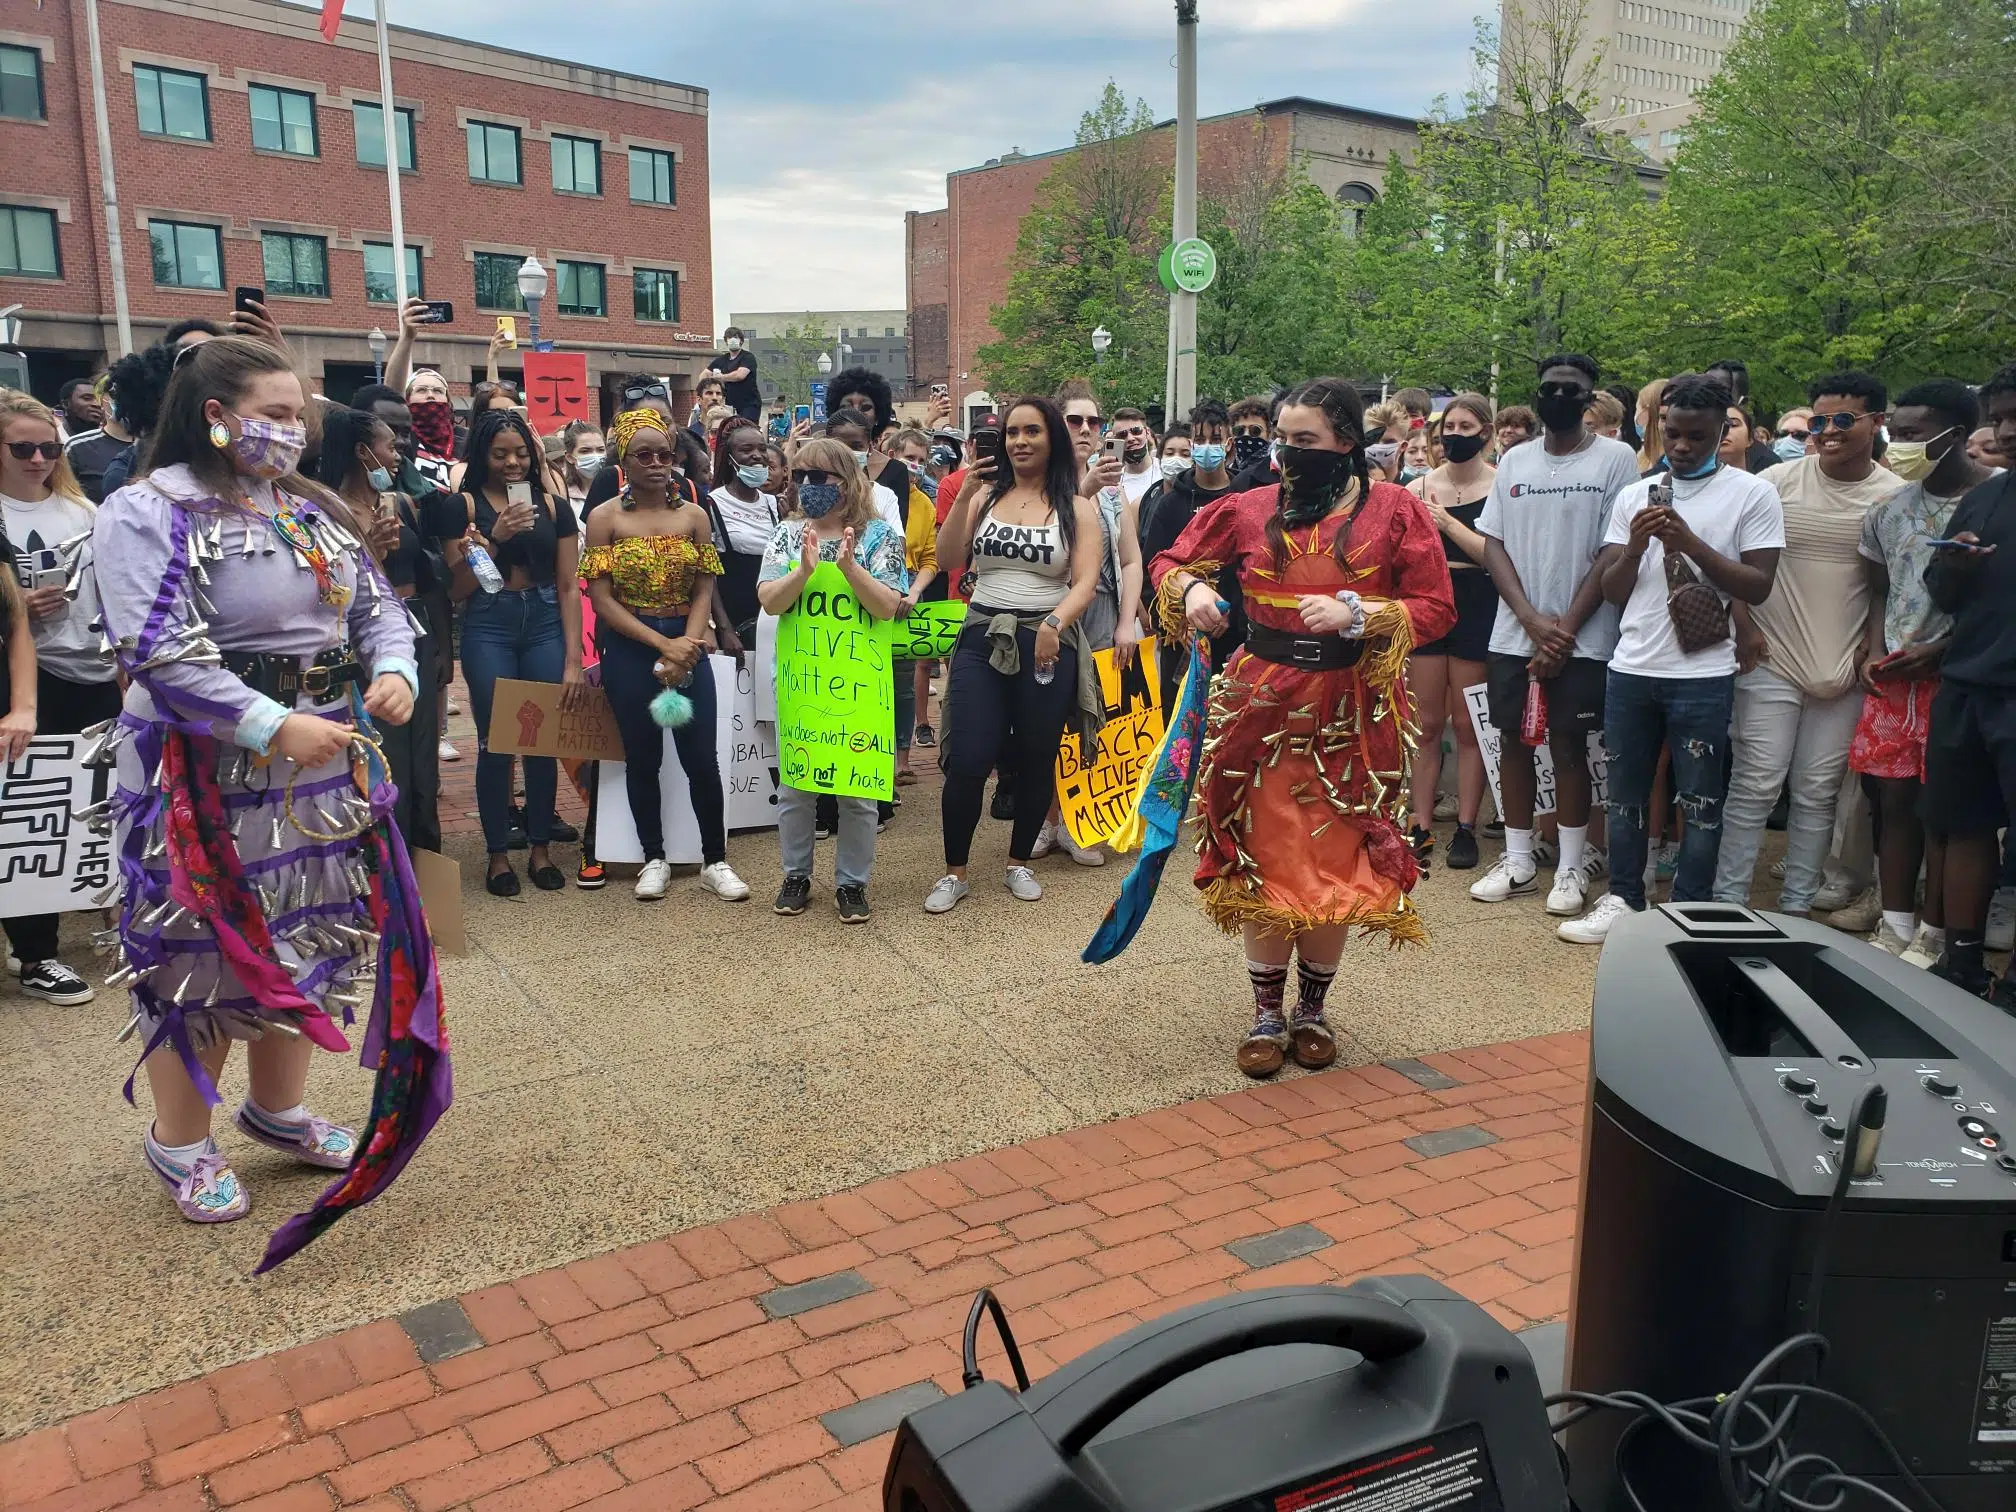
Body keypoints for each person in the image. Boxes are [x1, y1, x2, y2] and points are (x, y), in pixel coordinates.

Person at [94, 335, 444, 1244]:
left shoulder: (307, 509)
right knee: (197, 958)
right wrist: (266, 722)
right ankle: (181, 1140)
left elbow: (376, 607)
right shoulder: (146, 510)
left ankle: (278, 1111)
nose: (294, 433)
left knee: (309, 937)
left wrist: (395, 667)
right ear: (216, 417)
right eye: (277, 415)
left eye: (300, 417)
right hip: (205, 771)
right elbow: (156, 649)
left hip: (322, 763)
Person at [1152, 377, 1455, 1077]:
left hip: (1356, 710)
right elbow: (1170, 562)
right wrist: (1194, 588)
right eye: (1283, 439)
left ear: (1346, 443)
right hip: (1260, 703)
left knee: (1336, 860)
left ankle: (1312, 1010)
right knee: (1268, 852)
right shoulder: (1248, 506)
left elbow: (1436, 606)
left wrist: (1363, 616)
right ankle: (1264, 1013)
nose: (1288, 453)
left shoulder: (1398, 510)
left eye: (1305, 441)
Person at [1563, 375, 1785, 944]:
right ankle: (1624, 897)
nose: (1682, 447)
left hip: (1703, 673)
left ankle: (1691, 907)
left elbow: (1757, 586)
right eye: (1673, 434)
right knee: (1626, 791)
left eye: (1697, 436)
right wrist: (1636, 546)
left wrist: (1689, 542)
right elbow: (1613, 592)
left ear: (1721, 432)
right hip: (1632, 667)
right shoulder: (1636, 494)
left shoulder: (1751, 493)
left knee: (1701, 798)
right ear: (1659, 427)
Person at [1712, 371, 1900, 916]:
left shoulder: (1893, 498)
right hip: (1769, 655)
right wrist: (1743, 627)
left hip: (1844, 666)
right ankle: (1727, 902)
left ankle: (1796, 908)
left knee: (1818, 791)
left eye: (1844, 419)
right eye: (1819, 421)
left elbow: (1884, 588)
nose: (1828, 431)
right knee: (1754, 784)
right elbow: (1740, 563)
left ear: (1877, 422)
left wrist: (1871, 649)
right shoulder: (1777, 483)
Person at [1471, 355, 1638, 925]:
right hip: (1514, 633)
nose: (1558, 397)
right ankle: (1517, 858)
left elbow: (1614, 550)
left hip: (1585, 637)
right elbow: (1492, 543)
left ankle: (1570, 865)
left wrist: (1563, 629)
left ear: (1589, 398)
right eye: (1549, 388)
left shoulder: (1616, 460)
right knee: (1513, 743)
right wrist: (1530, 619)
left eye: (1571, 390)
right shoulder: (1515, 459)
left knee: (1569, 748)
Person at [928, 397, 1102, 913]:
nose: (1019, 442)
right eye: (1011, 433)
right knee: (968, 759)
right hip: (983, 635)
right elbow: (947, 559)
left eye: (1031, 432)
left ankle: (1018, 861)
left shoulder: (1076, 507)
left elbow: (1086, 580)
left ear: (1052, 438)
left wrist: (1055, 623)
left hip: (1047, 641)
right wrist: (966, 496)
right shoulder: (984, 497)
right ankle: (954, 872)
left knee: (1034, 756)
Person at [581, 409, 748, 904]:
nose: (657, 464)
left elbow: (704, 587)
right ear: (624, 461)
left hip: (687, 641)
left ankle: (715, 859)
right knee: (642, 757)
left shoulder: (693, 516)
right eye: (644, 455)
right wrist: (661, 646)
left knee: (702, 758)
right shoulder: (604, 518)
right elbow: (601, 598)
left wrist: (688, 646)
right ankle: (652, 857)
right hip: (631, 648)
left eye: (666, 455)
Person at [1851, 380, 1993, 959]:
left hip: (1957, 677)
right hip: (1892, 678)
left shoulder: (1990, 501)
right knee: (1894, 804)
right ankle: (1896, 922)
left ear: (1954, 435)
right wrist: (1869, 648)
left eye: (1912, 435)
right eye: (1896, 433)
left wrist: (1943, 649)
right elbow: (1880, 590)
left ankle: (1937, 933)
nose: (1898, 445)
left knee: (1946, 812)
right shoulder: (1887, 510)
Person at [0, 390, 118, 1004]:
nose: (40, 458)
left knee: (100, 803)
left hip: (95, 667)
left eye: (50, 446)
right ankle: (34, 953)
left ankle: (108, 925)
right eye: (23, 448)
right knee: (28, 815)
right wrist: (18, 608)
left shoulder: (83, 509)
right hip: (29, 676)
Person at [759, 440, 908, 921]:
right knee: (796, 789)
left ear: (846, 482)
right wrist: (803, 571)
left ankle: (852, 884)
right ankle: (796, 875)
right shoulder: (786, 535)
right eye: (798, 476)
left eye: (817, 478)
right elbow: (770, 601)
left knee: (858, 793)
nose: (805, 486)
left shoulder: (880, 537)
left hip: (860, 684)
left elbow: (888, 605)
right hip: (805, 683)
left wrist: (848, 568)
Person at [448, 408, 586, 896]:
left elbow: (570, 585)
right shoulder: (463, 506)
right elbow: (457, 588)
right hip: (490, 622)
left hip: (546, 619)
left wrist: (574, 660)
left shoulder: (554, 506)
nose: (512, 463)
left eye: (521, 453)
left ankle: (542, 848)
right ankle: (498, 856)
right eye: (500, 453)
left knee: (542, 739)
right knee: (497, 742)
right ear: (482, 456)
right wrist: (497, 537)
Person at [1920, 363, 2016, 1004]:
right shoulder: (1985, 495)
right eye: (1998, 418)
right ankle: (1961, 964)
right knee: (1961, 827)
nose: (2005, 431)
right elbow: (1944, 591)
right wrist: (1951, 565)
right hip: (1967, 683)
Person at [312, 405, 441, 854]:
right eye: (390, 446)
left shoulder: (400, 502)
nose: (397, 454)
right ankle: (386, 859)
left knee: (421, 757)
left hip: (411, 638)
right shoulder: (327, 512)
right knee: (384, 758)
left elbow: (426, 575)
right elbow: (337, 593)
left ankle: (426, 860)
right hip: (362, 650)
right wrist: (372, 552)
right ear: (364, 452)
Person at [1404, 392, 1497, 871]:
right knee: (1426, 724)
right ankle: (1419, 824)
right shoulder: (1418, 486)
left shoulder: (1501, 486)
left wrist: (1446, 524)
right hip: (1430, 603)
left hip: (1478, 601)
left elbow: (1499, 557)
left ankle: (1465, 825)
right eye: (1449, 429)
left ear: (1485, 430)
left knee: (1468, 725)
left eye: (1466, 427)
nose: (1455, 436)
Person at [705, 419, 781, 651]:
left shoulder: (774, 505)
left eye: (761, 448)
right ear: (730, 457)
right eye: (746, 450)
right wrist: (724, 629)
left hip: (773, 622)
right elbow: (708, 575)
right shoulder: (713, 503)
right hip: (735, 624)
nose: (757, 455)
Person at [1108, 407, 1159, 506]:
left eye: (1136, 431)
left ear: (1147, 432)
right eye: (1122, 435)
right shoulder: (1112, 479)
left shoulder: (1164, 471)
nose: (1130, 438)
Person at [707, 329, 760, 421]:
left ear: (741, 341)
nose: (732, 340)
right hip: (729, 405)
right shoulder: (722, 360)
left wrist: (721, 377)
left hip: (749, 405)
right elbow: (704, 374)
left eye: (735, 337)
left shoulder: (748, 357)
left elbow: (740, 375)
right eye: (729, 338)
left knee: (745, 428)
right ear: (726, 341)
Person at [558, 421, 605, 512]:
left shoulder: (618, 489)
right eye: (585, 451)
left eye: (600, 450)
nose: (595, 456)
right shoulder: (562, 493)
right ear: (570, 458)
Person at [1634, 381, 1668, 475]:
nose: (1636, 415)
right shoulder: (1644, 454)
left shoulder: (1668, 462)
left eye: (1637, 409)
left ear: (1648, 412)